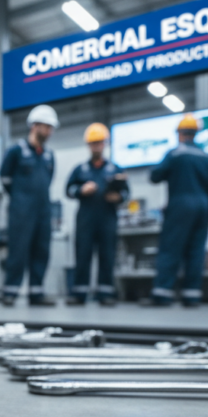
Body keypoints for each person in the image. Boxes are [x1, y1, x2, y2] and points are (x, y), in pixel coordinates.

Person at [149, 113, 208, 307]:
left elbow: (155, 176)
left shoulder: (175, 154)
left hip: (180, 204)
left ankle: (162, 294)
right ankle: (192, 295)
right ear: (196, 133)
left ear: (180, 134)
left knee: (171, 248)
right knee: (196, 251)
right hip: (203, 206)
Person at [0, 104, 58, 306]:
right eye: (46, 127)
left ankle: (36, 292)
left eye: (51, 128)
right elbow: (5, 178)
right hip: (21, 211)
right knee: (18, 250)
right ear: (35, 126)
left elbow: (48, 180)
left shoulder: (49, 155)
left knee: (42, 250)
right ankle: (10, 292)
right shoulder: (16, 151)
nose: (49, 132)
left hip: (43, 210)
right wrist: (19, 199)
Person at [65, 122, 129, 306]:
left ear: (105, 144)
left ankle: (105, 293)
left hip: (107, 218)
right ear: (88, 145)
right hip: (86, 218)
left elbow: (126, 193)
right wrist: (81, 190)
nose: (97, 146)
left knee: (107, 255)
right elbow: (68, 190)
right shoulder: (80, 170)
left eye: (100, 142)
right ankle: (79, 294)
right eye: (93, 143)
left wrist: (117, 196)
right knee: (82, 255)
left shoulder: (115, 169)